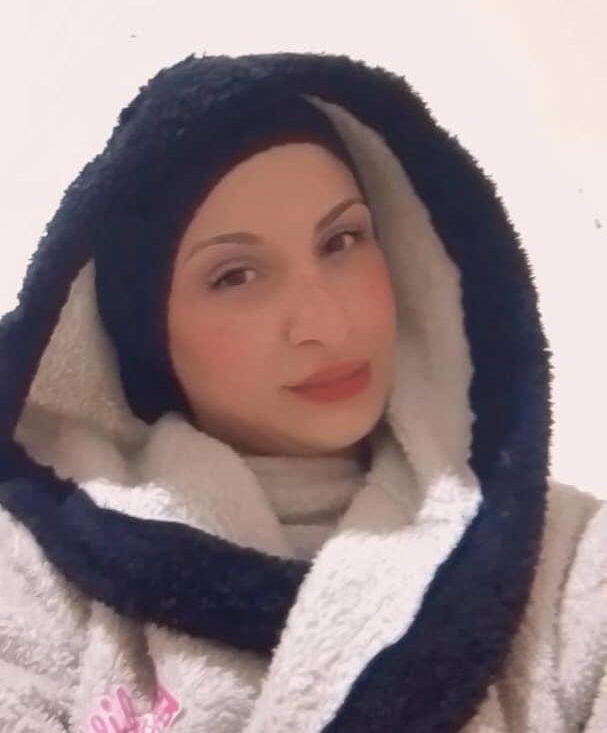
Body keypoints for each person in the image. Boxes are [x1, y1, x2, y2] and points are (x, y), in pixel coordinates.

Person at [0, 51, 604, 732]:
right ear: (147, 332)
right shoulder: (34, 566)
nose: (326, 323)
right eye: (235, 275)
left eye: (342, 240)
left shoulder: (570, 561)